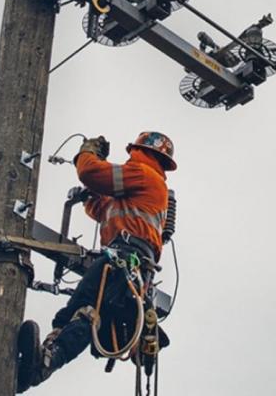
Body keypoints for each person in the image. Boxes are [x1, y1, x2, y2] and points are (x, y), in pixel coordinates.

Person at [16, 132, 177, 392]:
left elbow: (90, 172)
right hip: (124, 262)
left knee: (86, 311)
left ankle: (45, 363)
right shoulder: (141, 184)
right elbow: (104, 209)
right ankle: (43, 360)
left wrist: (88, 152)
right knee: (79, 314)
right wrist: (90, 196)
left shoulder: (144, 175)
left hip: (125, 259)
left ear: (140, 151)